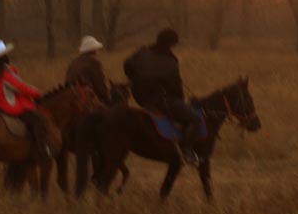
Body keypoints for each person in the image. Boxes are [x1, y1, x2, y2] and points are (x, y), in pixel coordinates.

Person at [123, 28, 200, 166]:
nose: (174, 46)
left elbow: (126, 64)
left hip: (139, 98)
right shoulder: (171, 61)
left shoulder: (142, 52)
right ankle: (187, 151)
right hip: (160, 101)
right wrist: (180, 102)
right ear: (169, 43)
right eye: (173, 44)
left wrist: (134, 77)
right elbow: (175, 87)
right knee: (194, 119)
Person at [0, 39, 47, 160]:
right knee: (36, 120)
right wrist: (37, 93)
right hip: (11, 108)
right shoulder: (5, 74)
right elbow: (21, 87)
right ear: (3, 58)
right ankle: (41, 150)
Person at [65, 35, 111, 105]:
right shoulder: (94, 62)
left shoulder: (74, 61)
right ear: (94, 50)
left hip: (69, 96)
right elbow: (100, 85)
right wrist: (108, 99)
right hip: (84, 97)